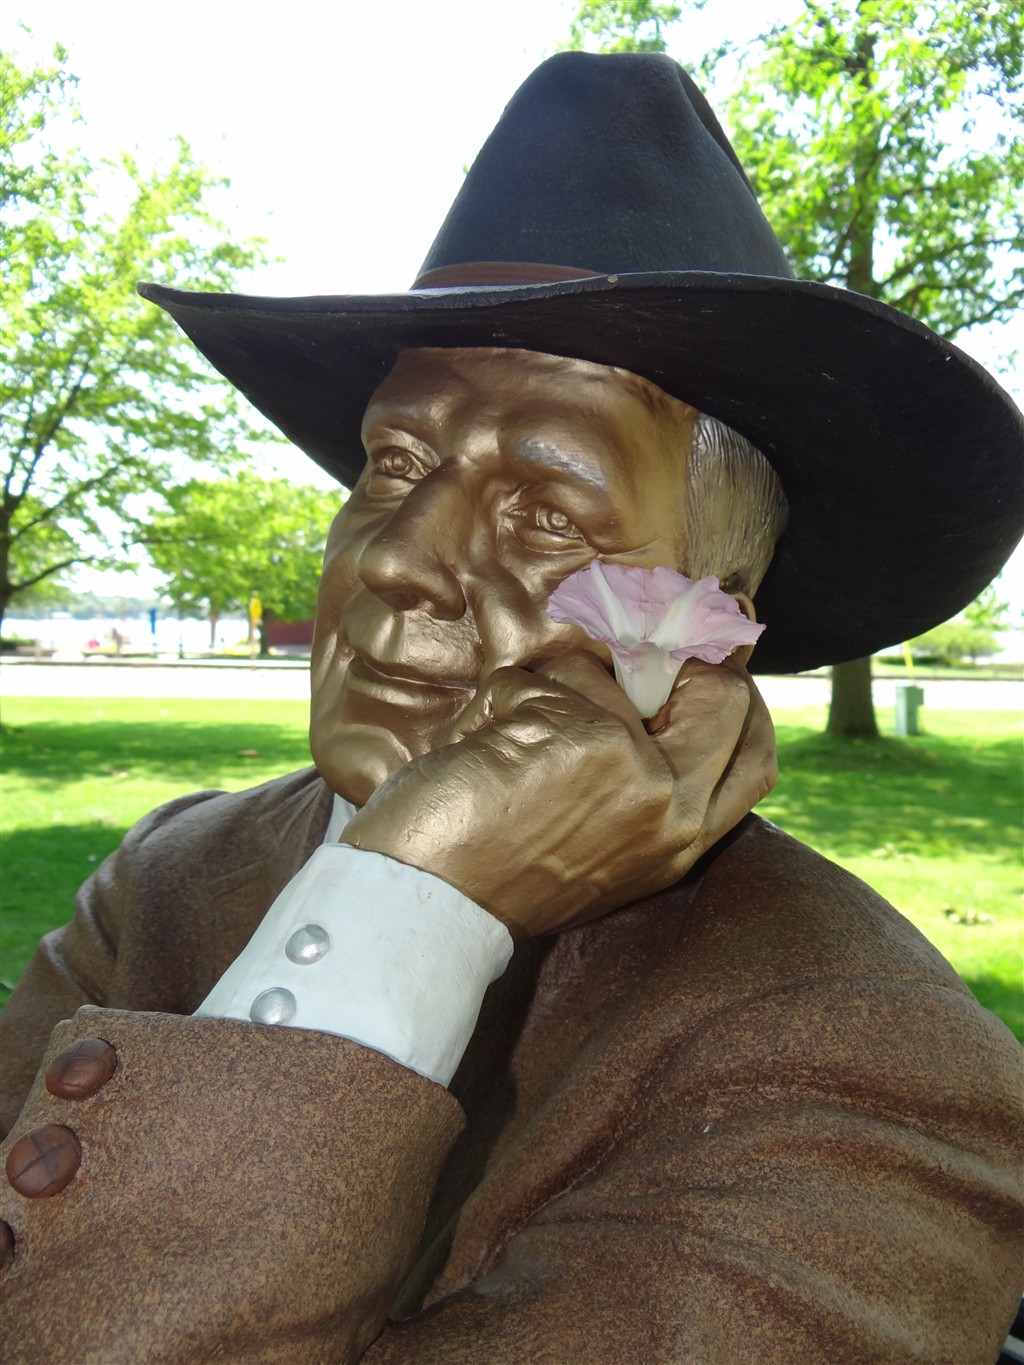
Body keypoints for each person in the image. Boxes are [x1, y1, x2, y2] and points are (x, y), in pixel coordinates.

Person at [1, 51, 1021, 1364]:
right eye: (393, 463)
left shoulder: (866, 1065)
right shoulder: (173, 881)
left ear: (709, 624)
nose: (395, 558)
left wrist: (403, 910)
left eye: (546, 514)